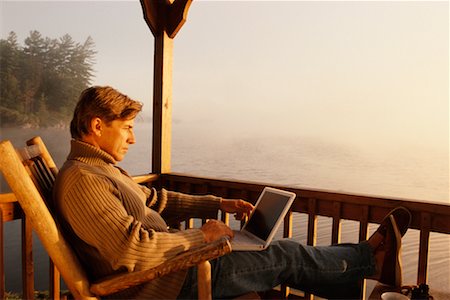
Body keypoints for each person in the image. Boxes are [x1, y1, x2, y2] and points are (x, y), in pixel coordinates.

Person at [53, 86, 412, 299]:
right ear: (97, 126)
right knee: (284, 256)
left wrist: (218, 203)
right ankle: (369, 262)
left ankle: (366, 262)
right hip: (166, 283)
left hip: (173, 269)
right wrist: (201, 236)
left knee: (281, 251)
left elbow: (156, 200)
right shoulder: (84, 179)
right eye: (127, 128)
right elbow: (132, 248)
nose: (132, 137)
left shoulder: (99, 170)